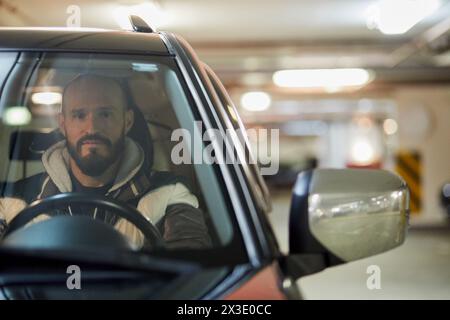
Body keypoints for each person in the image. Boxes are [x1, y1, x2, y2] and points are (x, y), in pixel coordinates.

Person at [0, 74, 212, 249]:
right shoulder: (12, 199)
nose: (92, 128)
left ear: (127, 122)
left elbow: (190, 268)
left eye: (105, 114)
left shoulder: (169, 193)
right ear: (63, 124)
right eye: (79, 115)